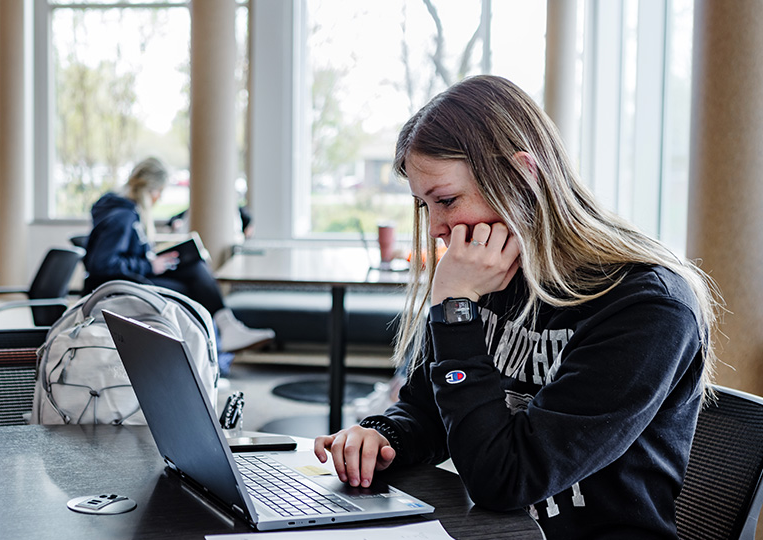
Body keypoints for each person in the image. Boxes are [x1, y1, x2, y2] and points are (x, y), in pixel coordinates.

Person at [312, 75, 721, 539]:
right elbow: (430, 409)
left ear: (523, 176)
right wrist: (384, 435)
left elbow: (507, 480)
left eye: (446, 200)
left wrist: (454, 310)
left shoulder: (647, 307)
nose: (436, 229)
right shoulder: (493, 274)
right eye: (426, 207)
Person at [83, 157, 274, 354]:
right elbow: (101, 264)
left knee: (194, 266)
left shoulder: (126, 211)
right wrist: (150, 266)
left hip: (131, 278)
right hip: (120, 285)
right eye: (160, 192)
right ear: (151, 190)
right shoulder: (122, 217)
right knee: (189, 289)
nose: (160, 198)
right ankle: (217, 338)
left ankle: (225, 330)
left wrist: (154, 260)